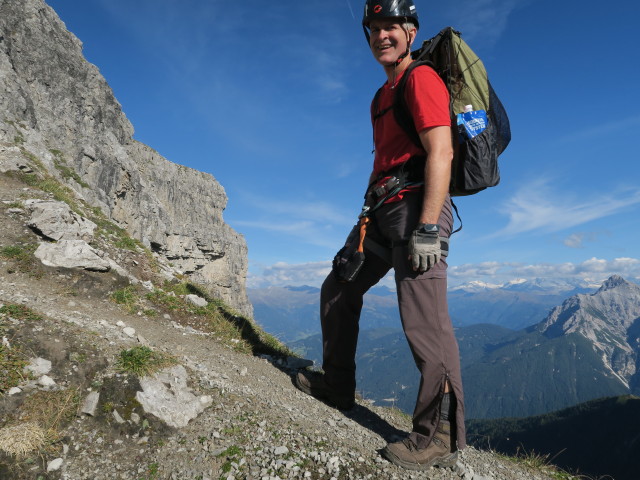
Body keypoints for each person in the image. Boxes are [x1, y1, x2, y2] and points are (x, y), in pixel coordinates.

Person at [295, 0, 466, 471]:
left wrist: (429, 227)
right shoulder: (381, 95)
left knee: (424, 324)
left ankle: (438, 436)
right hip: (382, 210)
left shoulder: (421, 79)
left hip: (417, 211)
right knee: (339, 286)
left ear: (411, 32)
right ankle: (337, 386)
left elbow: (441, 152)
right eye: (375, 28)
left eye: (393, 26)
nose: (382, 35)